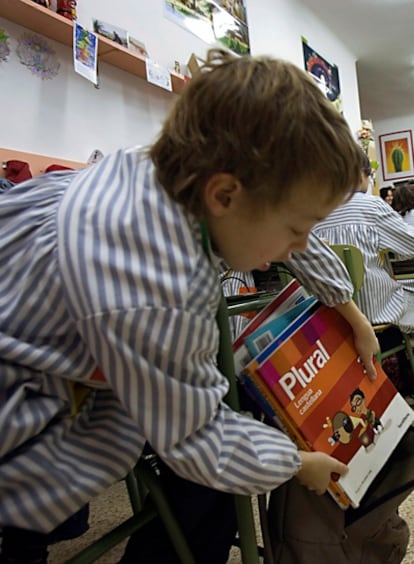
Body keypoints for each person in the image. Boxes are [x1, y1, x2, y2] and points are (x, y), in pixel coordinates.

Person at [0, 48, 392, 563]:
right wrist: (296, 464)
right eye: (296, 230)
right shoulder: (154, 284)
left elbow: (292, 224)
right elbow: (196, 436)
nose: (299, 246)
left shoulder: (167, 167)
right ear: (225, 196)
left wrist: (351, 312)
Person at [313, 150, 414, 335]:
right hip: (377, 309)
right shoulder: (372, 206)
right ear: (361, 173)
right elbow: (410, 244)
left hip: (335, 315)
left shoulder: (315, 214)